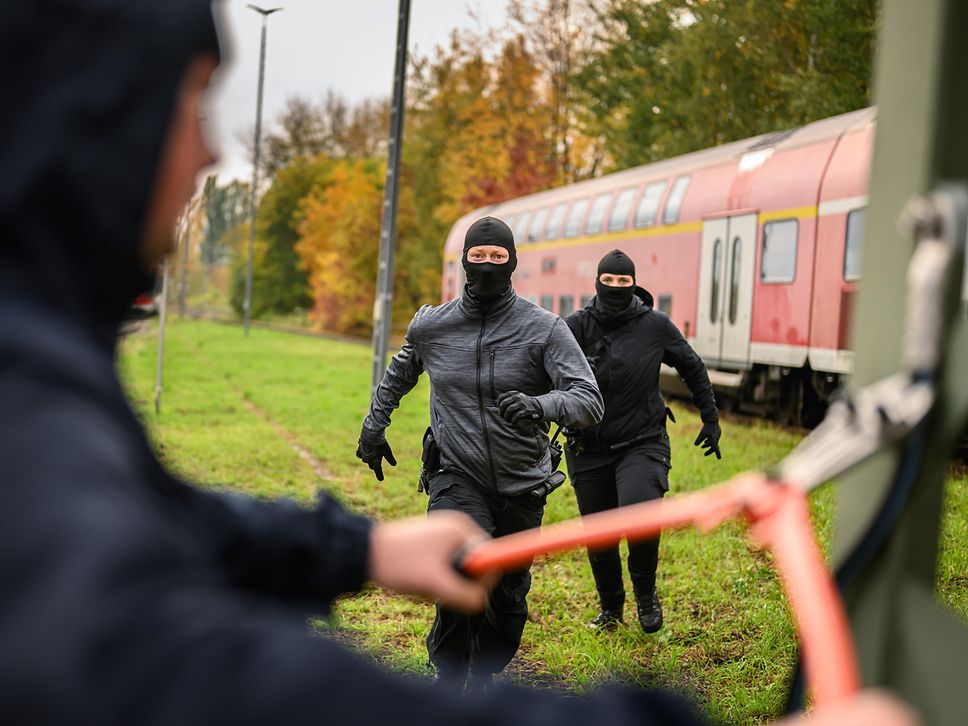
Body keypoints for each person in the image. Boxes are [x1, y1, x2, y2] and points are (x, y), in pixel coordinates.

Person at [0, 2, 922, 724]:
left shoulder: (45, 357)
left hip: (525, 482)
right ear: (95, 118)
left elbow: (154, 518)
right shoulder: (29, 393)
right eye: (190, 102)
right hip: (457, 472)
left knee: (506, 610)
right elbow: (158, 664)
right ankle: (463, 680)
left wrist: (357, 547)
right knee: (461, 624)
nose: (208, 150)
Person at [357, 215, 604, 690]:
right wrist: (374, 426)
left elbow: (588, 399)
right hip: (456, 471)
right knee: (459, 565)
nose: (487, 265)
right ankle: (447, 676)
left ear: (512, 262)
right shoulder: (433, 325)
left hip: (522, 482)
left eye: (497, 257)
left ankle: (486, 669)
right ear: (464, 262)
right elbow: (401, 371)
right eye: (478, 256)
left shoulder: (544, 329)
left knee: (507, 595)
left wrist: (541, 404)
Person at [564, 250, 722, 634]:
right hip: (588, 447)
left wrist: (710, 417)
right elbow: (544, 370)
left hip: (642, 441)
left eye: (623, 281)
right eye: (609, 281)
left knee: (640, 516)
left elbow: (692, 366)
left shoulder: (655, 326)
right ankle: (610, 610)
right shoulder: (574, 328)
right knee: (599, 534)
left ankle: (646, 595)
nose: (616, 288)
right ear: (597, 282)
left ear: (634, 284)